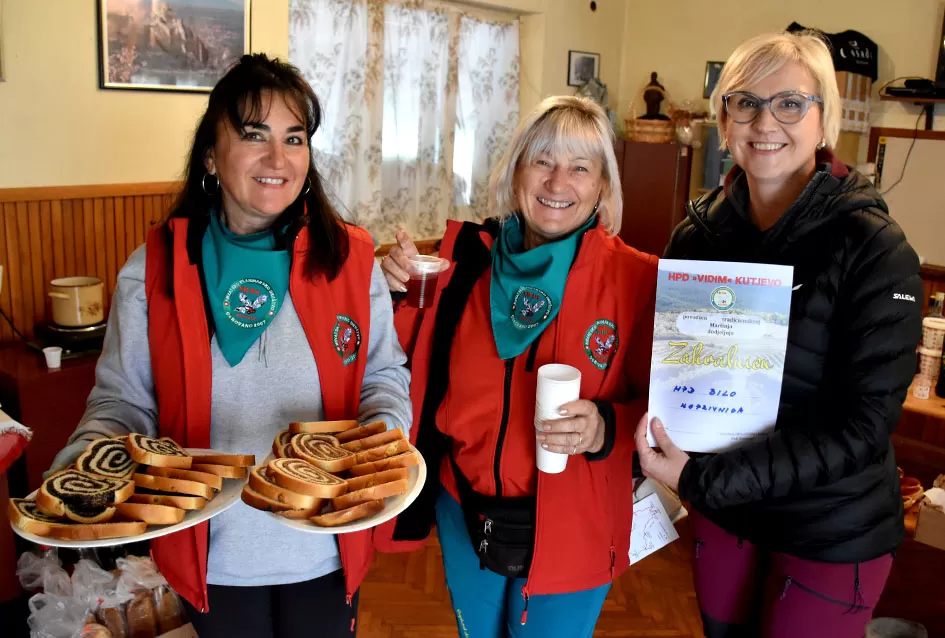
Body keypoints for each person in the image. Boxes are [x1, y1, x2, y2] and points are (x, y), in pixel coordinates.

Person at [49, 54, 412, 638]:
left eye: (294, 138)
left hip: (328, 537)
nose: (278, 158)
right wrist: (88, 456)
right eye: (253, 135)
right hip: (212, 551)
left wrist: (386, 438)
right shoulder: (154, 273)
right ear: (212, 158)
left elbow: (383, 376)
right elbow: (123, 404)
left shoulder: (350, 260)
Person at [634, 32, 923, 638]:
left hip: (831, 526)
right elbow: (675, 371)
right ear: (723, 119)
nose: (766, 121)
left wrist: (704, 480)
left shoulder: (874, 246)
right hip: (727, 513)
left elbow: (863, 427)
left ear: (824, 123)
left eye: (791, 103)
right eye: (745, 102)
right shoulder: (697, 239)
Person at [376, 96, 658, 637]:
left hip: (575, 524)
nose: (558, 182)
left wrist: (606, 426)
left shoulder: (638, 280)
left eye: (580, 167)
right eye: (543, 161)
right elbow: (400, 366)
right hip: (466, 508)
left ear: (602, 186)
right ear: (516, 171)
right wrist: (390, 295)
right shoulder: (463, 268)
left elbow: (667, 410)